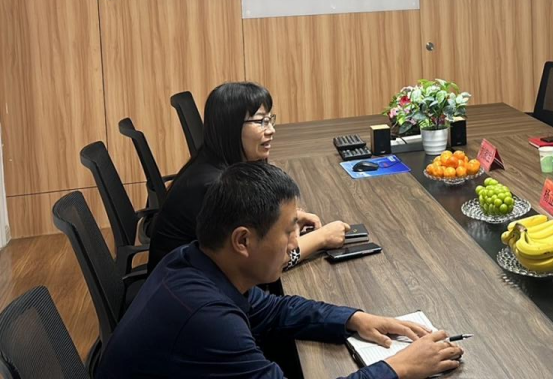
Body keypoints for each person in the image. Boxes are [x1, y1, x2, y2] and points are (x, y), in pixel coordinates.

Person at [98, 162, 463, 378]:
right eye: (288, 231)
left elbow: (275, 309)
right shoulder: (206, 318)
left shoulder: (194, 260)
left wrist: (355, 319)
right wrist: (398, 368)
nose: (295, 243)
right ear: (243, 241)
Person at [150, 82, 348, 272]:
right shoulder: (214, 187)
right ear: (231, 127)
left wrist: (285, 220)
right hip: (186, 289)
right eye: (261, 121)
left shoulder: (214, 164)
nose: (271, 130)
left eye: (270, 120)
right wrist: (322, 238)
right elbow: (263, 263)